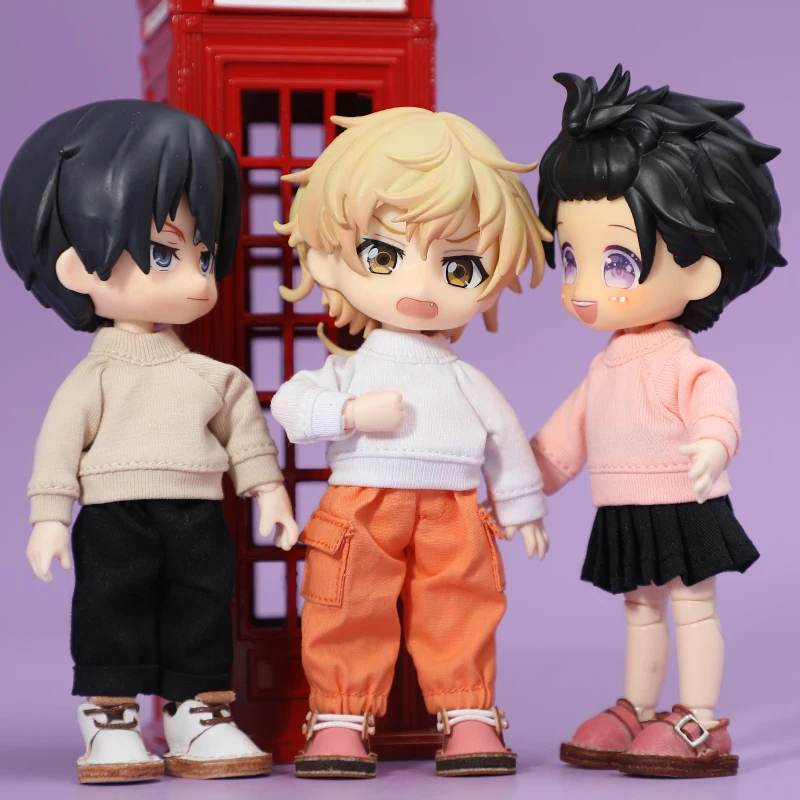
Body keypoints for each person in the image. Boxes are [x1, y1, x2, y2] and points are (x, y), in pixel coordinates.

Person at [0, 100, 299, 783]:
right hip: (115, 516)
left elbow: (246, 437)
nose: (197, 278)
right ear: (77, 267)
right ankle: (109, 718)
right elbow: (58, 449)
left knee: (202, 608)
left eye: (205, 254)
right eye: (164, 254)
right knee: (110, 612)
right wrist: (49, 519)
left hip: (197, 512)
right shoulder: (92, 378)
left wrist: (270, 494)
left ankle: (199, 711)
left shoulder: (213, 376)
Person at [271, 107, 551, 778]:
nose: (421, 289)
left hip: (453, 507)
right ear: (326, 259)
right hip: (361, 504)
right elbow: (291, 405)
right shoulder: (351, 366)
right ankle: (340, 716)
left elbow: (503, 436)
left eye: (459, 268)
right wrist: (349, 412)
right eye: (384, 256)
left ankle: (469, 712)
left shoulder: (464, 376)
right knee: (345, 602)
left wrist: (521, 507)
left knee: (461, 607)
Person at [532, 65, 785, 778]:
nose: (583, 288)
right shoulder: (603, 367)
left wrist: (711, 445)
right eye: (570, 257)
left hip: (683, 500)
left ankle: (702, 720)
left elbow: (716, 406)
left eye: (616, 261)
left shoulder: (682, 360)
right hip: (624, 506)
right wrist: (521, 485)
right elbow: (564, 440)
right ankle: (637, 709)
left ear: (702, 269)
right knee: (640, 608)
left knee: (693, 605)